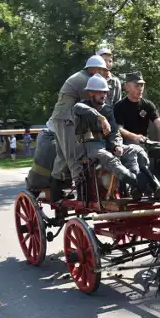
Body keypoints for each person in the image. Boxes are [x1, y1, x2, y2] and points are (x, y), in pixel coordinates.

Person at [73, 74, 160, 200]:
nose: (103, 95)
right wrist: (100, 117)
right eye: (99, 92)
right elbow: (78, 108)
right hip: (88, 147)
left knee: (135, 149)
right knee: (110, 158)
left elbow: (115, 132)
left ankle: (138, 184)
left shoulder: (107, 109)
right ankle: (138, 183)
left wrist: (117, 145)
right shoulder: (82, 106)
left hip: (105, 145)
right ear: (90, 93)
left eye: (105, 92)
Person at [48, 55, 110, 207]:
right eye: (102, 70)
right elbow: (93, 102)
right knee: (74, 155)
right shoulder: (84, 80)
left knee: (63, 157)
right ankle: (83, 195)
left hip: (64, 118)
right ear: (94, 69)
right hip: (66, 119)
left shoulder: (82, 77)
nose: (103, 73)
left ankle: (55, 193)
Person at [114, 71, 160, 189]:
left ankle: (151, 182)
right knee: (138, 150)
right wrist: (135, 137)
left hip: (144, 142)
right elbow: (119, 129)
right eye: (136, 85)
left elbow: (158, 121)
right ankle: (147, 185)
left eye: (142, 85)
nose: (140, 89)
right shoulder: (119, 106)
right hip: (127, 144)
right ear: (127, 87)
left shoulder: (147, 105)